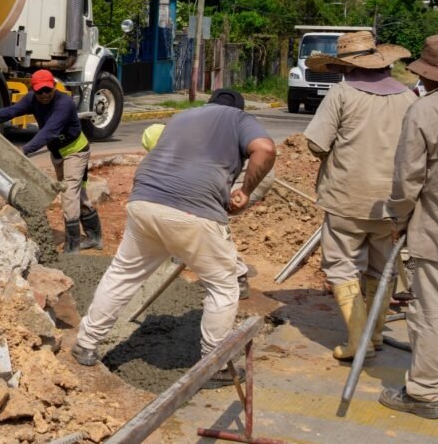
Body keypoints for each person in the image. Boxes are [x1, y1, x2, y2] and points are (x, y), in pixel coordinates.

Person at [71, 88, 275, 386]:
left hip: (144, 201)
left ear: (208, 104)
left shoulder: (184, 115)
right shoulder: (239, 119)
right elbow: (265, 150)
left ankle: (86, 343)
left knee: (122, 274)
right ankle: (214, 364)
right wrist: (244, 191)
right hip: (193, 211)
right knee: (223, 285)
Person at [302, 31, 412, 361]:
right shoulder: (407, 96)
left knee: (342, 267)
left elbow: (316, 143)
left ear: (347, 66)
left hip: (346, 198)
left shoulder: (342, 93)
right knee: (382, 269)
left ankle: (357, 341)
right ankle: (375, 335)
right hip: (393, 202)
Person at [379, 35, 438, 420]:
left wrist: (399, 220)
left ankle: (422, 393)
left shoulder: (425, 110)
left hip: (437, 233)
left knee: (431, 313)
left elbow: (407, 180)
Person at [141, 117, 274, 300]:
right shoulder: (185, 142)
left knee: (211, 223)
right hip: (235, 174)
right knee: (199, 219)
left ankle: (238, 277)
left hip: (252, 175)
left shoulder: (192, 149)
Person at [0, 69, 101, 253]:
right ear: (33, 90)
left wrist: (25, 150)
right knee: (78, 194)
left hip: (76, 151)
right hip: (58, 154)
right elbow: (12, 111)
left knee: (68, 193)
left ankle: (72, 246)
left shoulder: (64, 103)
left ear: (54, 87)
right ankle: (95, 238)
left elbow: (49, 131)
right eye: (39, 91)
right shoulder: (32, 100)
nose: (44, 94)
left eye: (47, 90)